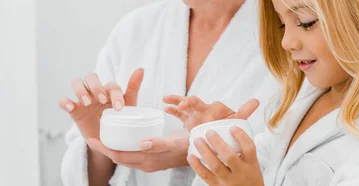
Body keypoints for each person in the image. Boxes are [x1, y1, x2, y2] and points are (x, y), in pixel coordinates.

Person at [168, 0, 359, 185]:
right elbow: (259, 170)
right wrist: (226, 144)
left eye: (306, 22)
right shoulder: (303, 103)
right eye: (282, 24)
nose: (287, 42)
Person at [57, 0, 277, 185]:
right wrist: (103, 141)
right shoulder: (136, 29)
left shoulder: (289, 34)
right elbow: (83, 177)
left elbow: (298, 172)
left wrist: (196, 151)